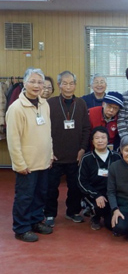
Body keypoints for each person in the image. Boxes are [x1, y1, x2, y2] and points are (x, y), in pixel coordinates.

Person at [6, 68, 53, 242]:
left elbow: (48, 132)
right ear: (24, 83)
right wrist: (19, 164)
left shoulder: (44, 103)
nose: (36, 85)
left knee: (40, 195)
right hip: (26, 164)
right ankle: (21, 228)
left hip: (43, 161)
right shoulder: (16, 108)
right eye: (32, 81)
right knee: (25, 197)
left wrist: (51, 154)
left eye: (40, 82)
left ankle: (35, 221)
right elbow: (13, 139)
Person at [44, 71, 91, 227]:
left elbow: (86, 128)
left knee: (75, 187)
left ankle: (73, 212)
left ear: (75, 85)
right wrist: (49, 152)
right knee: (51, 188)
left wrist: (83, 149)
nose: (68, 86)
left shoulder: (82, 103)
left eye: (71, 83)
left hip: (75, 155)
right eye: (65, 83)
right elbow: (44, 130)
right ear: (59, 85)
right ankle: (50, 214)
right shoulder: (50, 104)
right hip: (55, 155)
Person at [78, 126, 121, 230]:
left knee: (112, 225)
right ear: (92, 141)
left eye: (103, 137)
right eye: (97, 138)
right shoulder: (86, 158)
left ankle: (107, 214)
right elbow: (81, 181)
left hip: (112, 193)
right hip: (94, 193)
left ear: (108, 139)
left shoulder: (116, 156)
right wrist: (96, 195)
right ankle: (94, 215)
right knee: (99, 206)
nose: (100, 141)